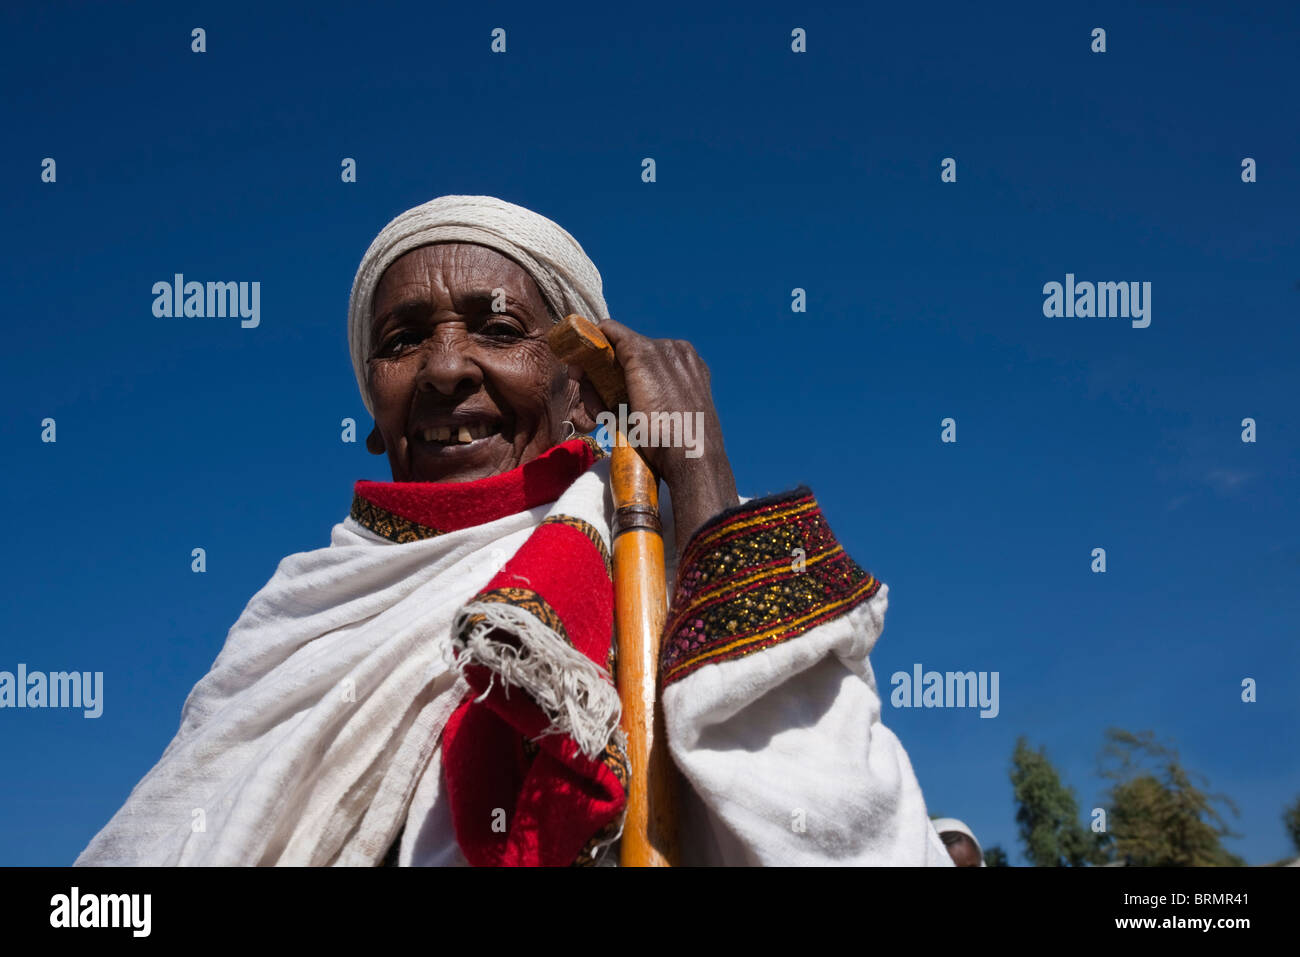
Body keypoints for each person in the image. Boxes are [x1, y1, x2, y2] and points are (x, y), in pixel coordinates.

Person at [76, 195, 952, 867]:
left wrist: (697, 471)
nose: (448, 368)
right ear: (373, 411)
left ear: (583, 391)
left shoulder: (671, 567)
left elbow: (855, 840)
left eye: (499, 329)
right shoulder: (293, 619)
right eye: (404, 339)